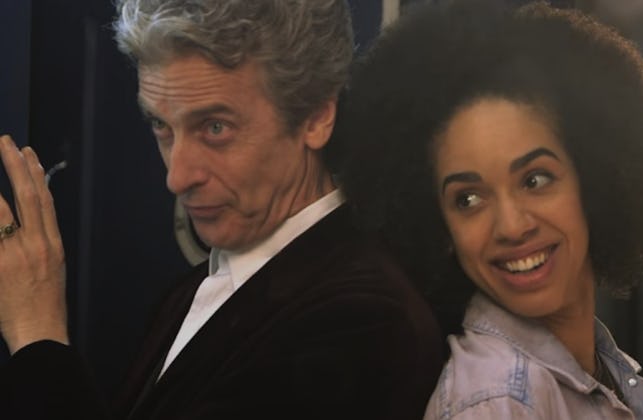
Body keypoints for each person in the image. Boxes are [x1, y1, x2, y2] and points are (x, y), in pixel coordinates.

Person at [0, 1, 444, 419]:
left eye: (215, 128)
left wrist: (37, 330)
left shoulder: (366, 322)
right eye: (161, 125)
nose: (177, 177)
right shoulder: (202, 286)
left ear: (315, 116)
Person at [335, 1, 643, 418]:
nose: (511, 225)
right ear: (439, 227)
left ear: (595, 176)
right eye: (468, 199)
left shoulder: (605, 371)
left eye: (535, 180)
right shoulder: (495, 403)